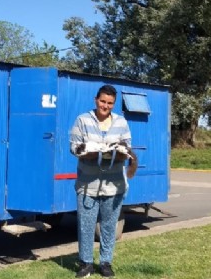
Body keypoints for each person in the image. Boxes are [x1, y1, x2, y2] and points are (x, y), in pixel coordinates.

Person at [69, 84, 134, 278]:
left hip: (114, 186)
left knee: (108, 226)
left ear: (113, 104)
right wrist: (92, 151)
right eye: (103, 101)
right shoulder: (82, 120)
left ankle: (106, 263)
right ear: (96, 100)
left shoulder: (121, 122)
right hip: (87, 185)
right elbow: (74, 147)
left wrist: (117, 152)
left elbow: (127, 148)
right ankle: (85, 263)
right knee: (86, 226)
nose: (105, 106)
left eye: (110, 103)